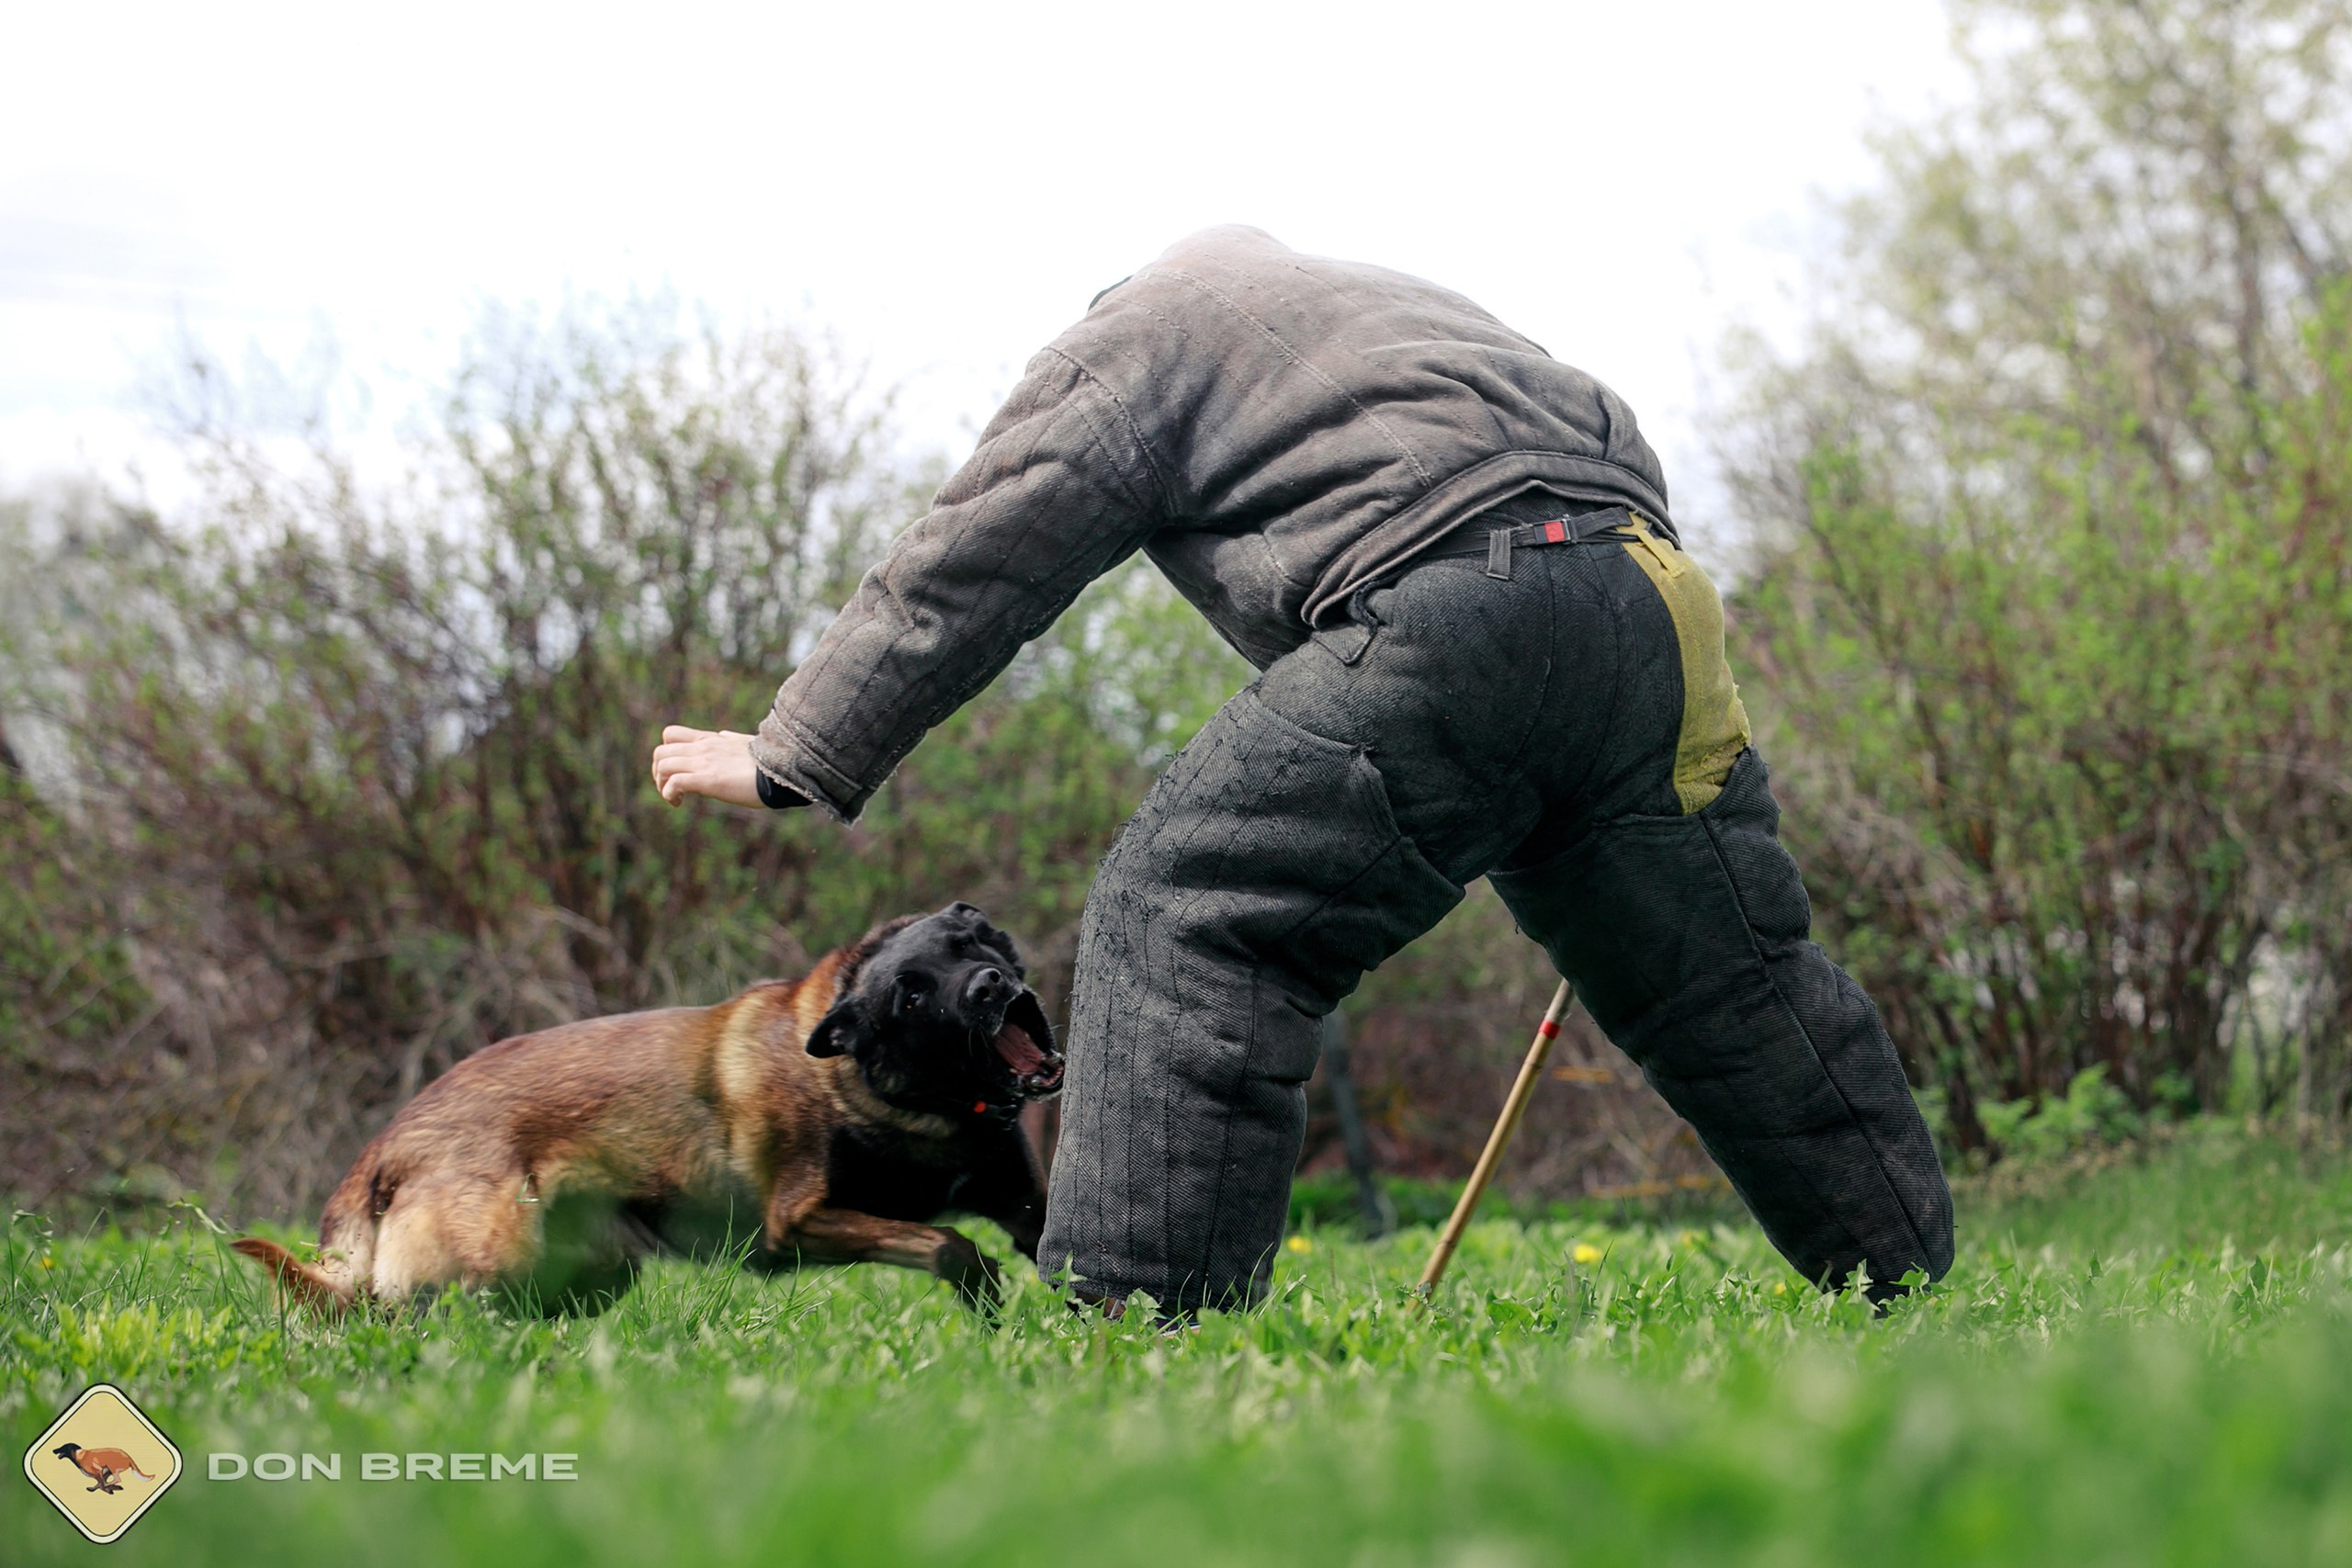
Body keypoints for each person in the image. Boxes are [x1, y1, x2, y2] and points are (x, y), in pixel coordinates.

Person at [650, 226, 1954, 1314]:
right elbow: (1586, 455)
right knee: (1732, 980)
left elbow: (979, 553)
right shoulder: (1389, 314)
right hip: (1651, 596)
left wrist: (796, 750)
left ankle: (1135, 1331)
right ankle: (1909, 1283)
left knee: (1194, 914)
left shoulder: (1139, 333)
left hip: (1458, 599)